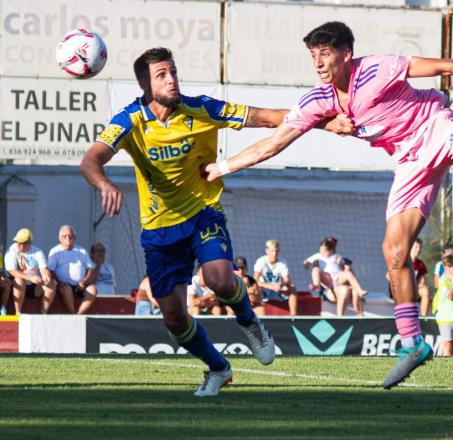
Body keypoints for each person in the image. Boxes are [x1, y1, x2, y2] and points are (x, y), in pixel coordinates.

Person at [201, 21, 453, 389]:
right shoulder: (319, 101)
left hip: (434, 125)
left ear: (347, 54)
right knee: (394, 252)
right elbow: (274, 142)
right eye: (313, 55)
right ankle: (412, 343)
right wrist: (223, 166)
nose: (319, 62)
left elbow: (447, 65)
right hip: (409, 159)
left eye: (326, 53)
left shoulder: (376, 69)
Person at [79, 47, 354, 396]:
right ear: (145, 84)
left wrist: (326, 122)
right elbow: (90, 161)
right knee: (175, 319)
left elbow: (270, 117)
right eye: (162, 74)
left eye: (174, 71)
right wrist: (104, 183)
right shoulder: (129, 120)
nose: (172, 79)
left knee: (220, 279)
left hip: (203, 213)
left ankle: (249, 322)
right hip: (159, 229)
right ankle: (218, 368)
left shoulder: (201, 108)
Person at [304, 236, 367, 316]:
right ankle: (316, 285)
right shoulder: (317, 256)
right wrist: (306, 263)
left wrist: (342, 263)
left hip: (338, 277)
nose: (322, 253)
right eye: (321, 250)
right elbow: (307, 262)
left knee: (348, 275)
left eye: (324, 251)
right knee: (315, 270)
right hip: (327, 278)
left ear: (331, 250)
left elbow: (344, 265)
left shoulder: (337, 256)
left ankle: (359, 290)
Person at [4, 228, 56, 314]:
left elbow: (44, 270)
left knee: (52, 284)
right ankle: (18, 313)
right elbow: (11, 271)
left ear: (29, 243)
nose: (19, 244)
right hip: (16, 286)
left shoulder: (38, 252)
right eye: (17, 241)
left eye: (22, 242)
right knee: (19, 280)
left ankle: (43, 314)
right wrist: (30, 277)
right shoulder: (12, 250)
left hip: (33, 286)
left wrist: (47, 277)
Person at [47, 225, 97, 315]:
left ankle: (79, 314)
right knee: (67, 289)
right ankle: (73, 313)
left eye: (70, 236)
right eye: (65, 236)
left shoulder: (82, 250)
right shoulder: (55, 251)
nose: (68, 238)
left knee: (93, 289)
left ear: (74, 237)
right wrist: (59, 283)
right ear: (60, 238)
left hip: (81, 285)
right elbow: (50, 270)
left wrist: (84, 281)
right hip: (63, 285)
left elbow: (90, 268)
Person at [254, 239, 299, 316]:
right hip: (264, 291)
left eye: (277, 251)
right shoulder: (261, 261)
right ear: (267, 251)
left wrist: (282, 284)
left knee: (293, 288)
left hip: (278, 290)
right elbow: (255, 280)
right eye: (272, 251)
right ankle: (258, 317)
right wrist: (271, 286)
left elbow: (288, 279)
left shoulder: (282, 262)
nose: (274, 253)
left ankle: (293, 317)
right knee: (254, 288)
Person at [410, 239, 431, 316]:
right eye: (416, 247)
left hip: (414, 290)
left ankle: (423, 318)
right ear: (410, 247)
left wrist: (421, 285)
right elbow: (389, 276)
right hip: (402, 290)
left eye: (420, 247)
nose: (418, 249)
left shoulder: (420, 264)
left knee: (425, 290)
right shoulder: (403, 260)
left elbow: (422, 281)